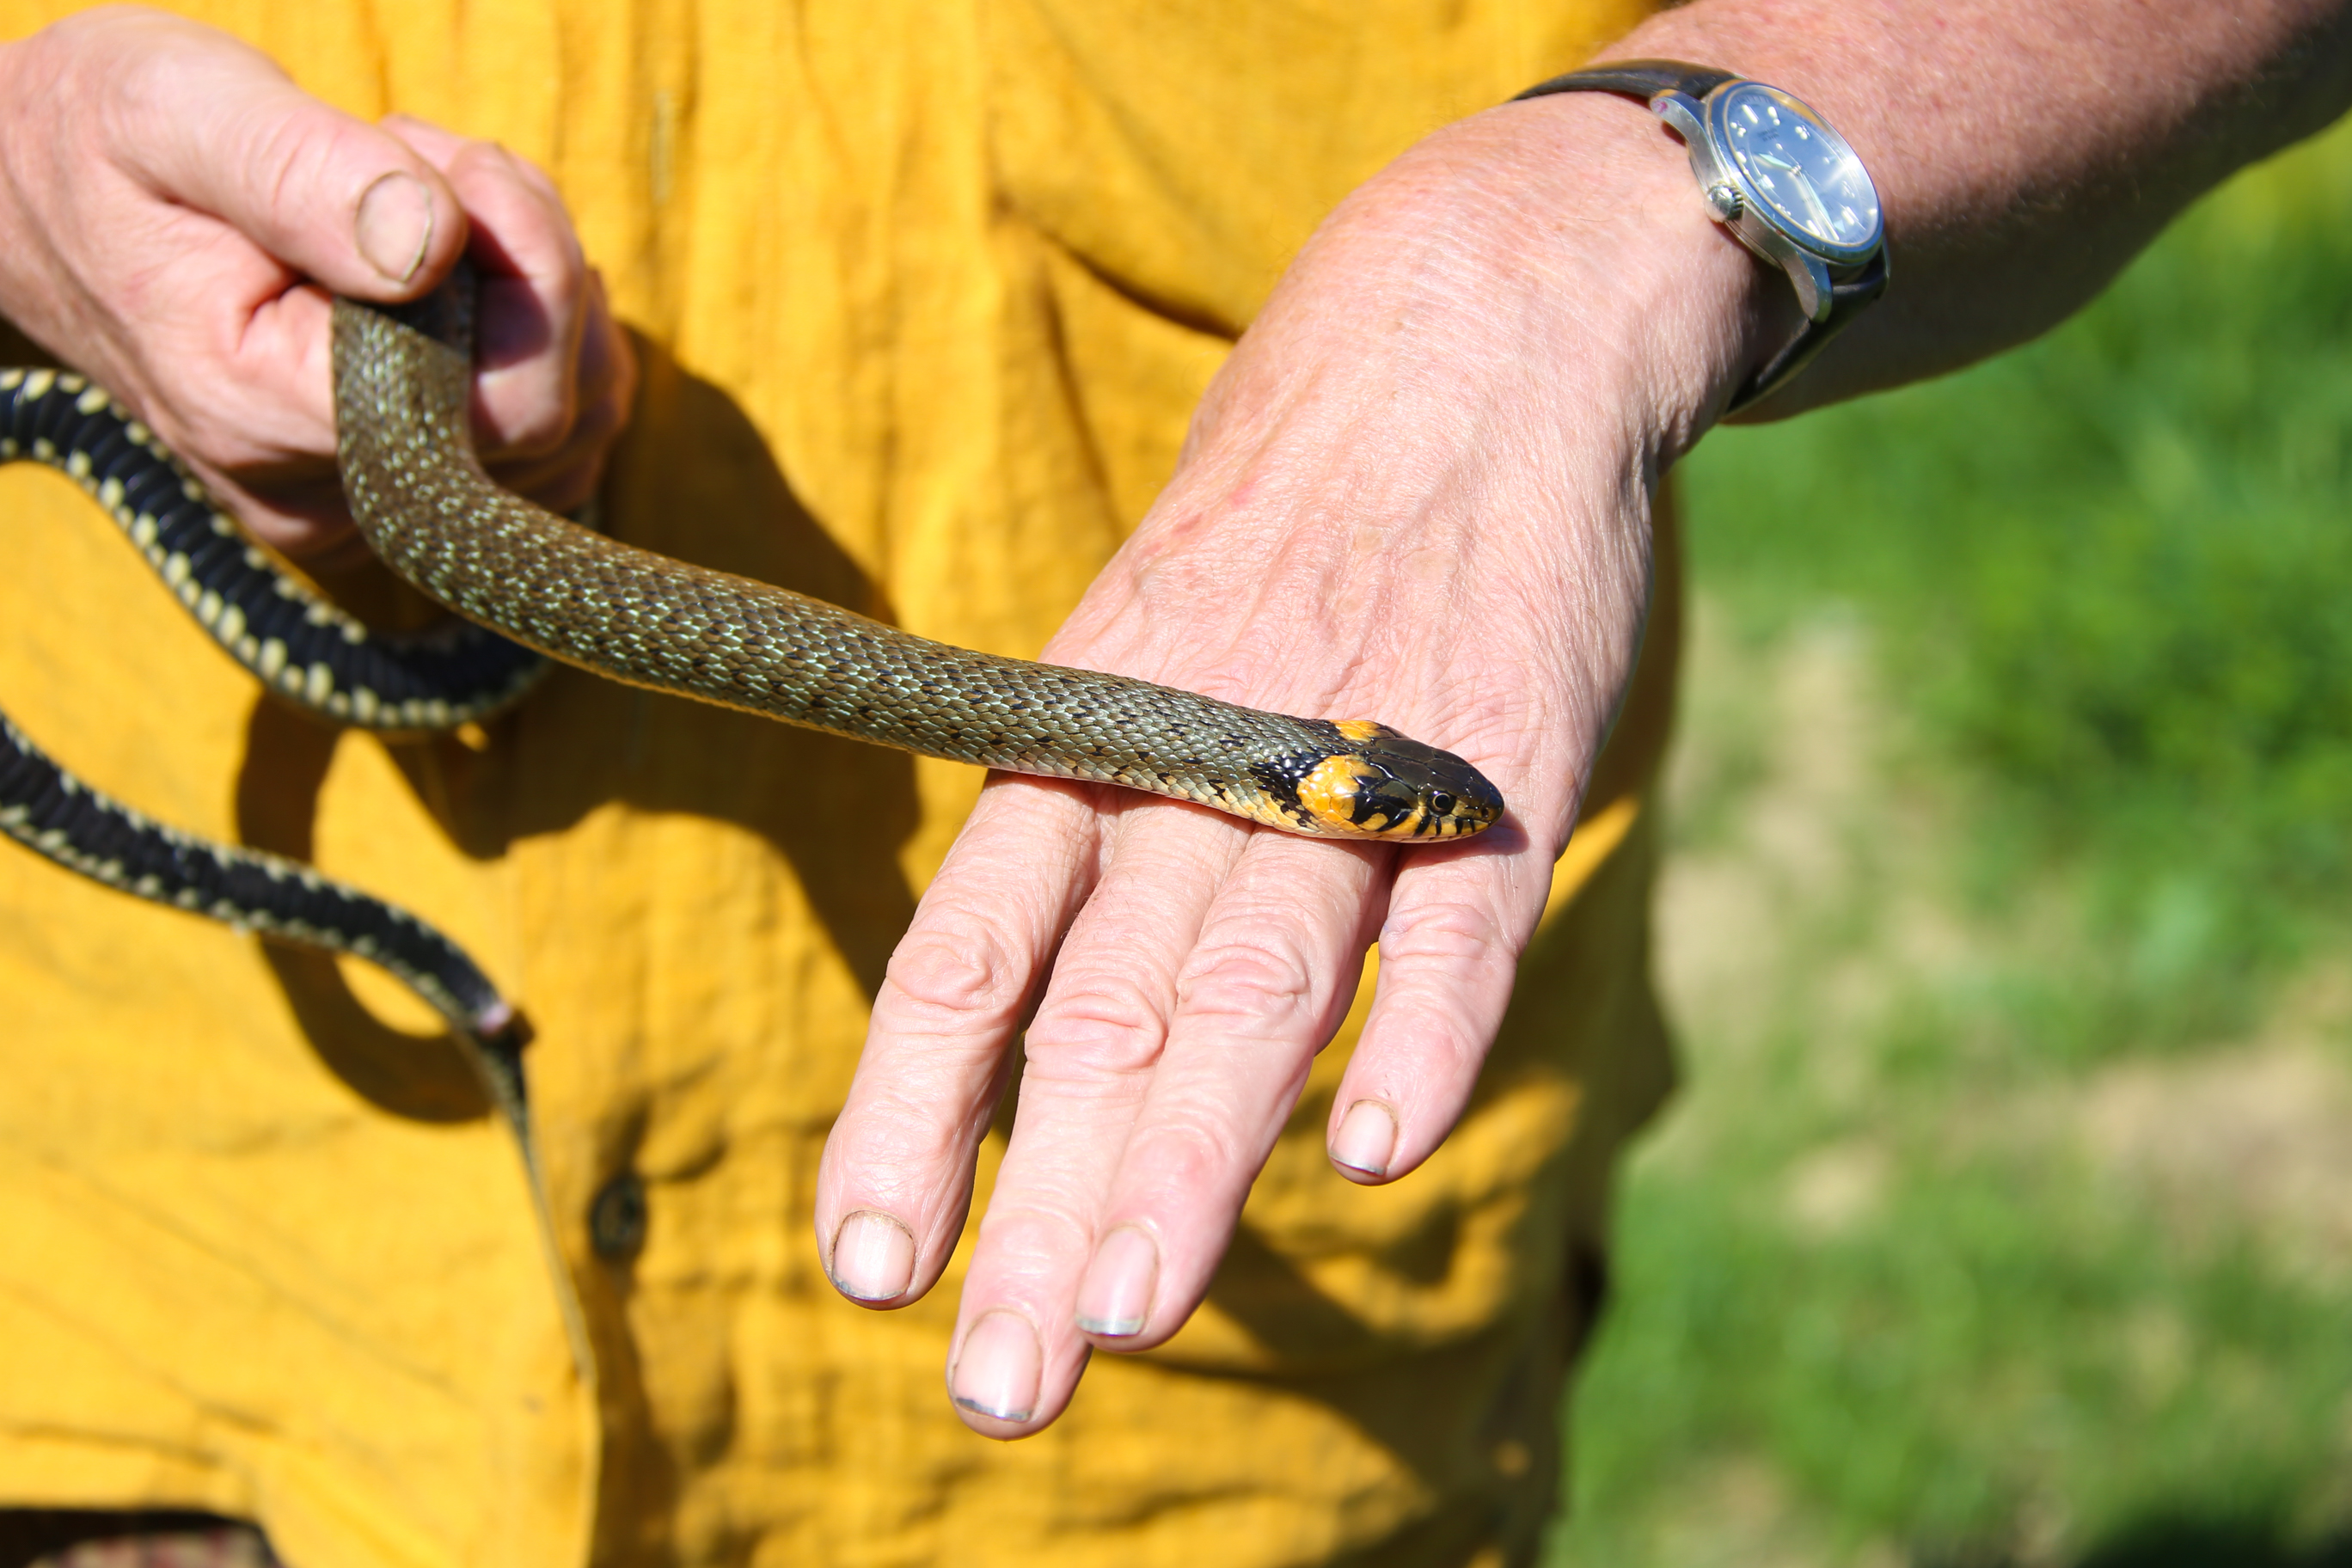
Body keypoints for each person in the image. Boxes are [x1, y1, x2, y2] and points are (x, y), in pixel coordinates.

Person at [0, 1, 2344, 1564]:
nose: (1422, 815)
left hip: (1215, 1405)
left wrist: (1588, 239)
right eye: (1398, 804)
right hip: (163, 1312)